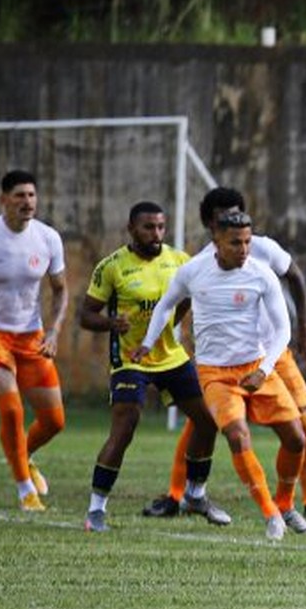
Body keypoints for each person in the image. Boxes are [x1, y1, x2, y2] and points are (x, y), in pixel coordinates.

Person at [142, 187, 306, 519]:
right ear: (211, 227)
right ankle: (177, 494)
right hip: (221, 363)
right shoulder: (201, 263)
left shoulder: (264, 249)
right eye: (222, 219)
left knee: (302, 422)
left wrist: (305, 328)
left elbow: (295, 277)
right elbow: (182, 300)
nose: (239, 238)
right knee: (202, 423)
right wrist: (167, 340)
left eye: (237, 215)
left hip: (272, 352)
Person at [78, 201, 231, 532]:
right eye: (148, 227)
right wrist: (110, 324)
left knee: (208, 421)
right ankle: (96, 509)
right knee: (125, 426)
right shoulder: (112, 266)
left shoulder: (179, 260)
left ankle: (195, 495)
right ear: (131, 229)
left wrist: (171, 325)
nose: (156, 233)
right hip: (130, 360)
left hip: (170, 356)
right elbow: (86, 315)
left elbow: (187, 297)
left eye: (161, 227)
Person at [0, 170, 68, 511]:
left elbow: (60, 291)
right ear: (4, 200)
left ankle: (24, 457)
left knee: (55, 421)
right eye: (20, 196)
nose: (27, 202)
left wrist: (54, 332)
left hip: (32, 336)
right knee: (11, 407)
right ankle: (25, 489)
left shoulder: (48, 238)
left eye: (31, 195)